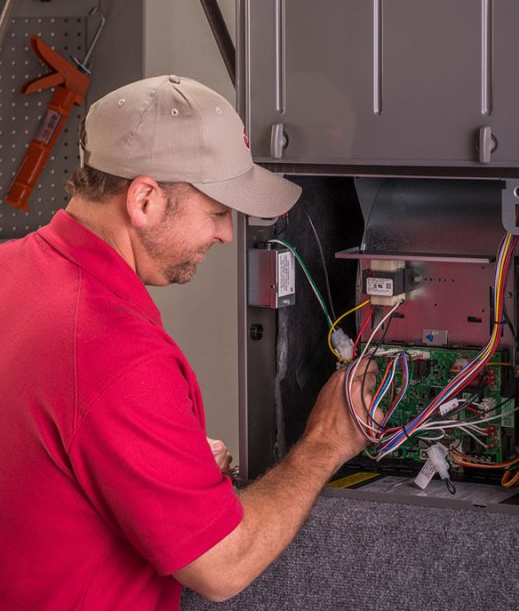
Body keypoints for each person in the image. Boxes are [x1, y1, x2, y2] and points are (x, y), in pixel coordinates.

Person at [0, 75, 376, 610]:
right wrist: (325, 443)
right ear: (146, 200)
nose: (226, 235)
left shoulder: (10, 269)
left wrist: (160, 462)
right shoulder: (116, 353)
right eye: (218, 211)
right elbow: (223, 565)